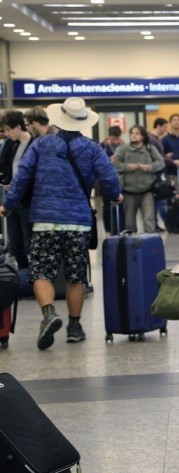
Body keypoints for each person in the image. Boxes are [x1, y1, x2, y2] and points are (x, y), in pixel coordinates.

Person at [0, 97, 123, 350]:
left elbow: (22, 178)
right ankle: (74, 327)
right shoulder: (91, 148)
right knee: (75, 276)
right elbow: (109, 177)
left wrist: (8, 205)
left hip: (45, 220)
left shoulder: (41, 144)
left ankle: (48, 314)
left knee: (41, 272)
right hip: (78, 221)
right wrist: (115, 195)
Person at [112, 125, 164, 234]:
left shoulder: (150, 148)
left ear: (143, 136)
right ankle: (131, 244)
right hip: (129, 191)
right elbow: (114, 163)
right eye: (132, 133)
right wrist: (128, 167)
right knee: (130, 223)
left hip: (147, 191)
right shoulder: (123, 149)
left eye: (137, 133)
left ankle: (150, 242)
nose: (133, 135)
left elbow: (161, 163)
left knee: (149, 221)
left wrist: (150, 167)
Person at [0, 110, 33, 270]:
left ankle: (34, 274)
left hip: (28, 199)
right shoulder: (11, 144)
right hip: (12, 197)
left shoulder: (34, 144)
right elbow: (5, 166)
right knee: (14, 240)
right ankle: (23, 271)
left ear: (19, 127)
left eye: (8, 129)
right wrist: (6, 181)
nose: (6, 133)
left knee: (29, 240)